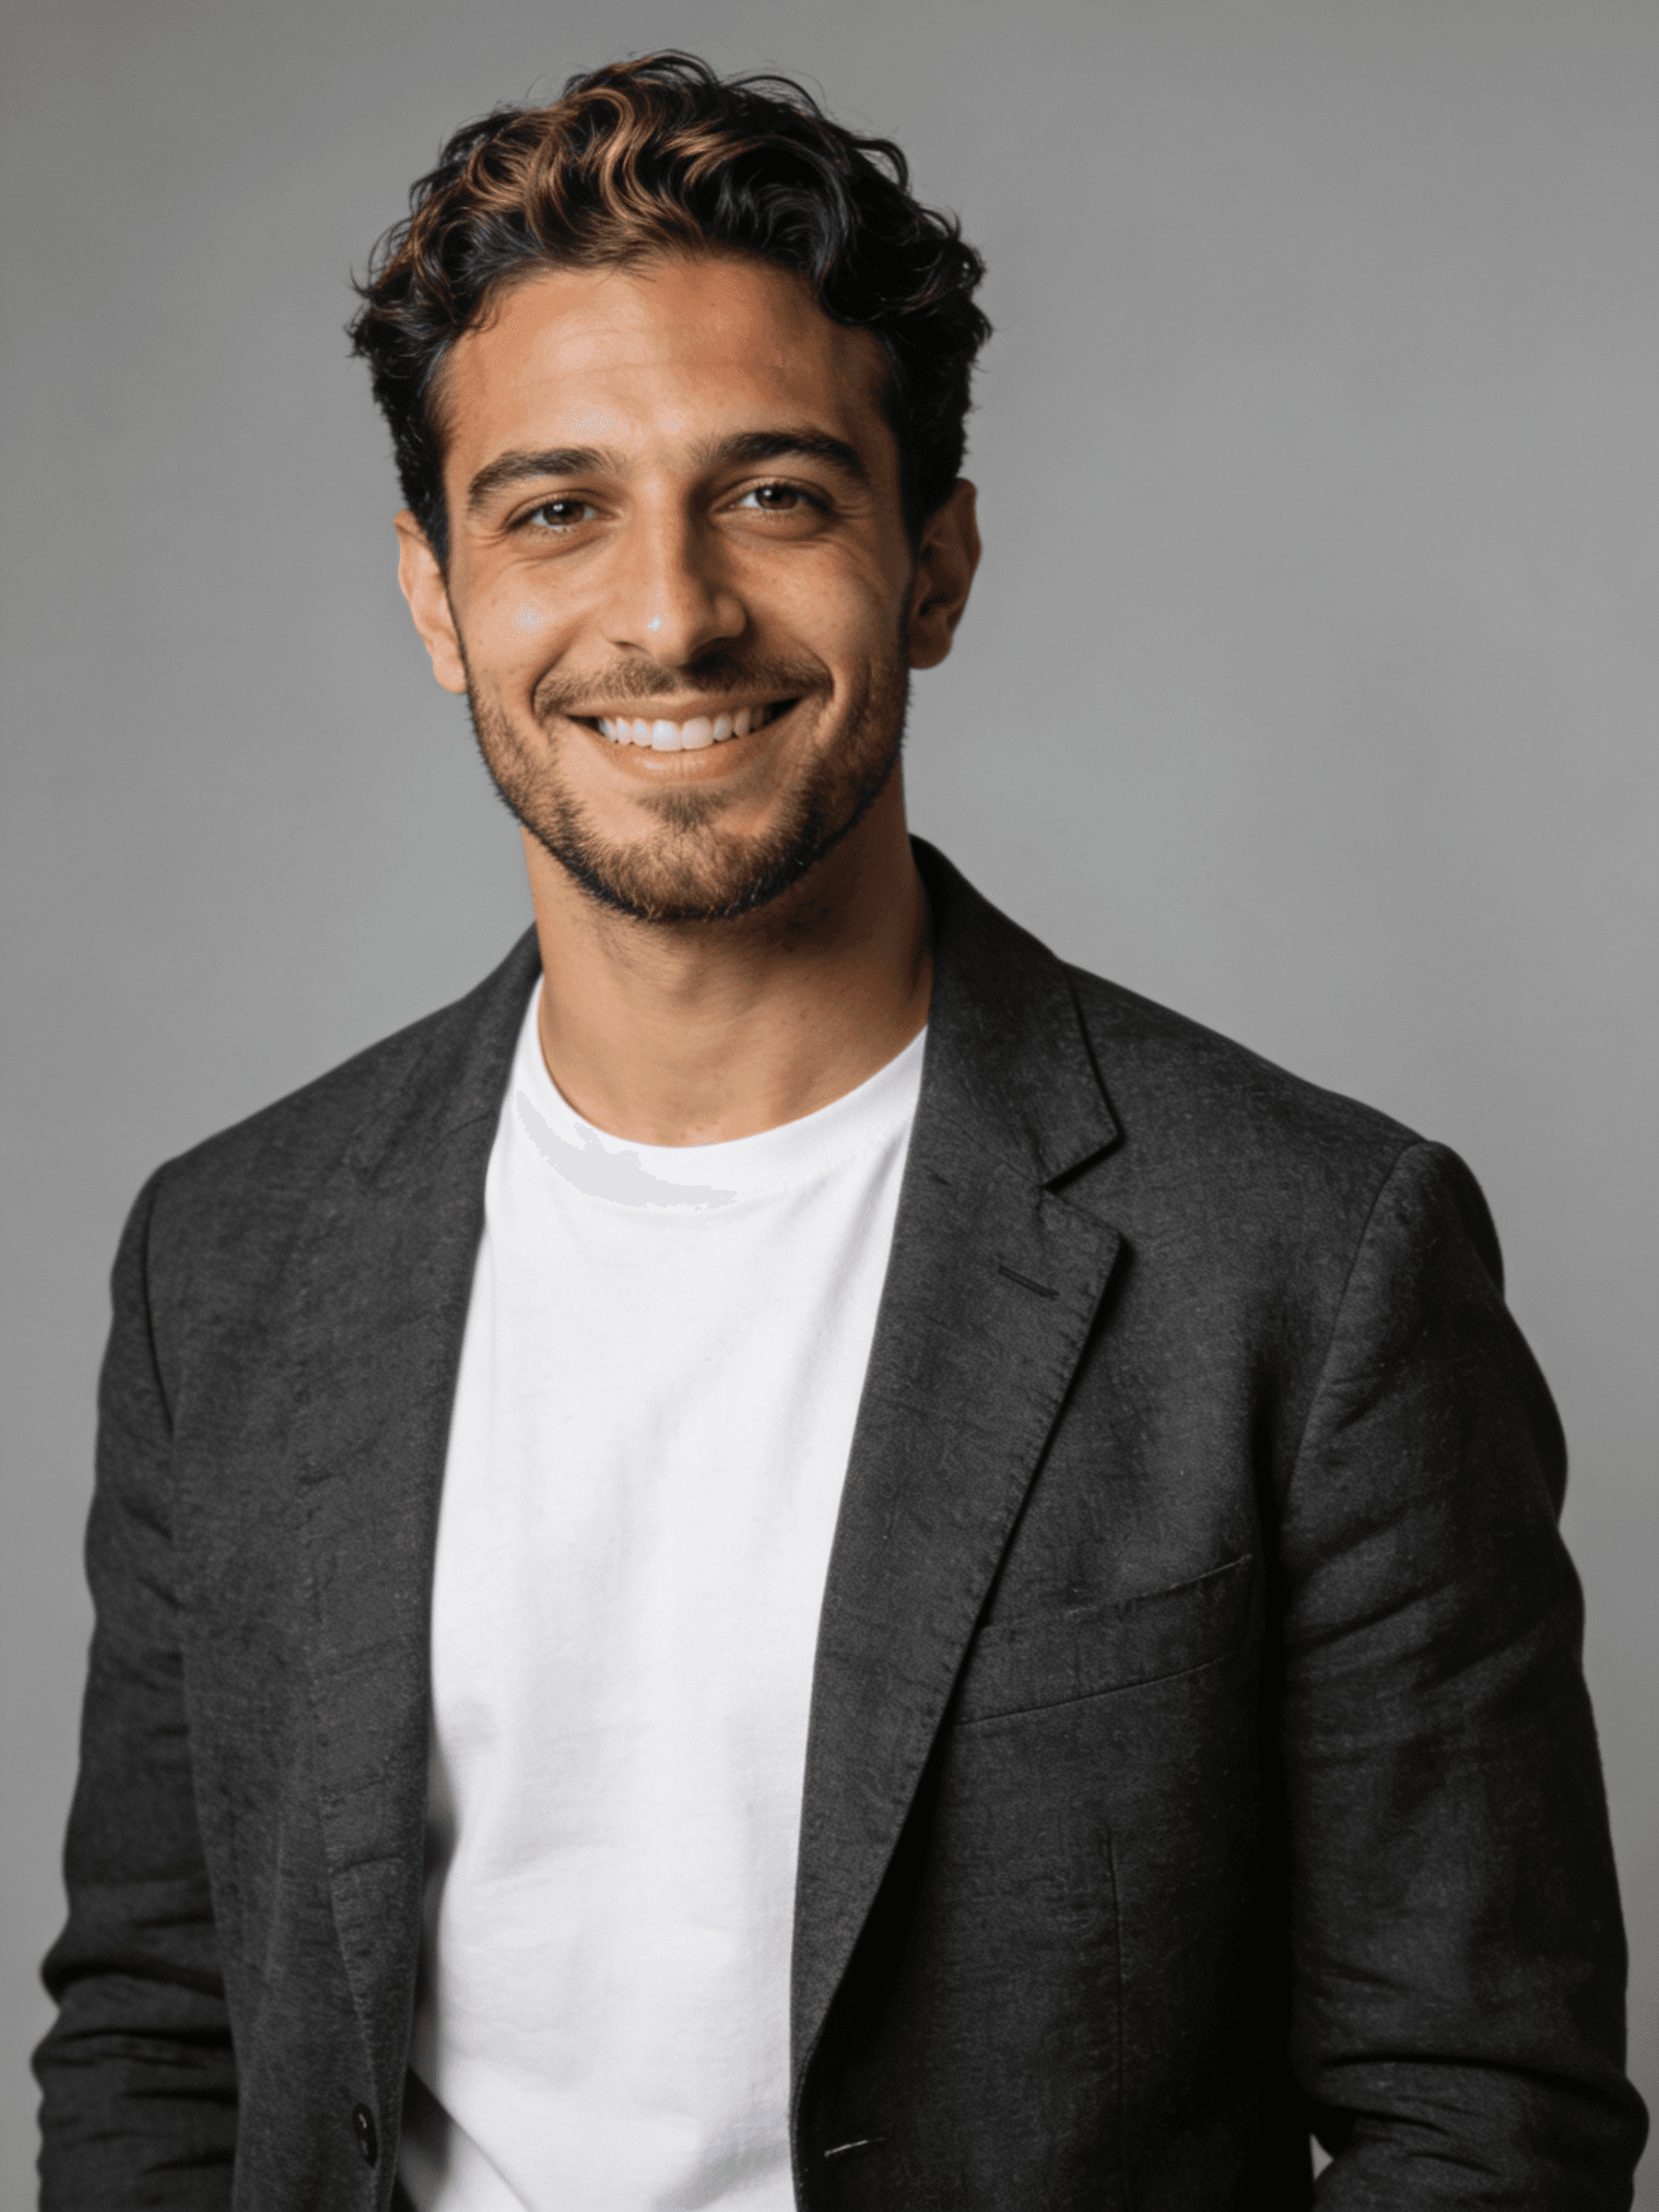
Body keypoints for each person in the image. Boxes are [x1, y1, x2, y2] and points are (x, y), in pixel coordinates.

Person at [34, 51, 1646, 2212]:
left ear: (938, 564)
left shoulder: (1311, 1260)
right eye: (555, 508)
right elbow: (159, 2033)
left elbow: (1486, 2113)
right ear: (437, 595)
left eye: (776, 493)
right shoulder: (225, 1263)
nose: (671, 609)